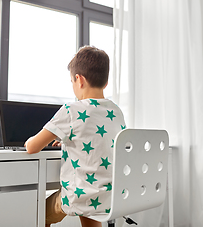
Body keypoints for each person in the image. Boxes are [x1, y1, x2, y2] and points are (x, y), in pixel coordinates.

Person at [24, 46, 126, 227]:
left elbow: (33, 147)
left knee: (37, 212)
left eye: (71, 81)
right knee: (91, 204)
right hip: (108, 195)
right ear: (106, 82)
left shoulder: (71, 110)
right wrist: (68, 139)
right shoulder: (116, 111)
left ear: (79, 80)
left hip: (81, 196)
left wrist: (27, 140)